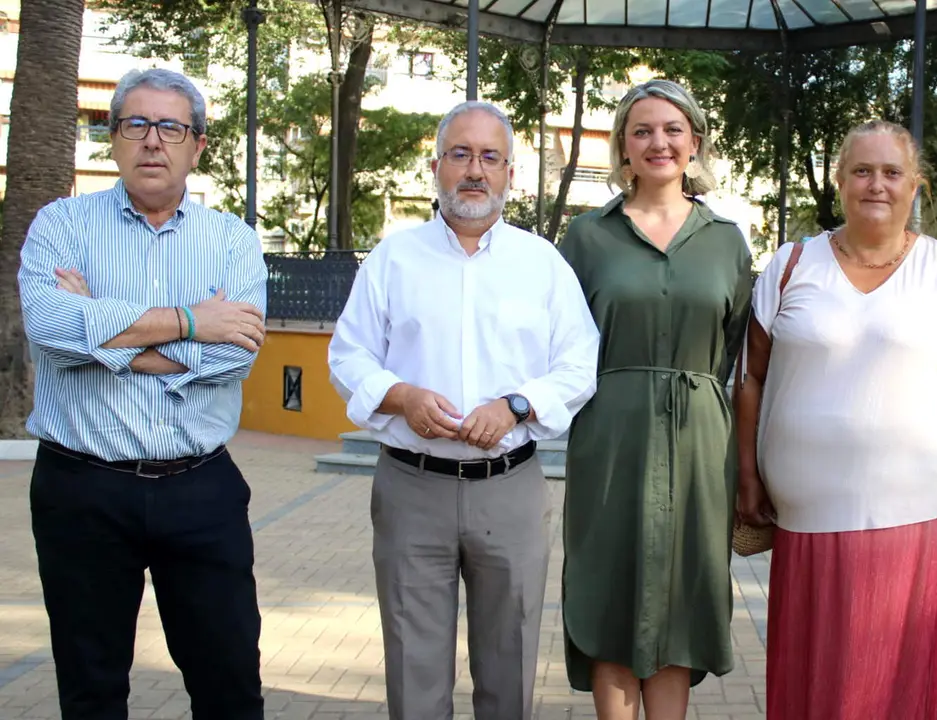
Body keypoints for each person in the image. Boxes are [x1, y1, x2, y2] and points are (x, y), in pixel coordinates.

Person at [328, 100, 600, 720]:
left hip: (509, 488)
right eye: (460, 154)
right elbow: (349, 356)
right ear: (436, 166)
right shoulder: (392, 260)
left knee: (509, 665)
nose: (474, 170)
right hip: (411, 486)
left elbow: (579, 364)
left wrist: (517, 405)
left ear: (509, 173)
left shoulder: (543, 265)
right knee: (413, 669)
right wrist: (401, 396)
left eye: (489, 157)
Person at [736, 119, 937, 720]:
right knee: (815, 676)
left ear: (917, 186)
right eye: (862, 171)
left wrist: (919, 410)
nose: (876, 185)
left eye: (891, 173)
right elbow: (751, 376)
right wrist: (748, 477)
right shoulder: (791, 264)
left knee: (894, 679)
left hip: (913, 514)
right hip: (807, 516)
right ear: (839, 182)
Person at [18, 68, 268, 719]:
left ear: (197, 145)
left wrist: (99, 327)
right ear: (112, 137)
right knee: (91, 688)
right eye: (137, 124)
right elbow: (48, 327)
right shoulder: (61, 225)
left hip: (200, 489)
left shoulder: (231, 241)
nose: (153, 142)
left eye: (171, 127)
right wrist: (190, 321)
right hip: (81, 490)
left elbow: (230, 357)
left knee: (230, 684)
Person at [557, 79, 752, 720]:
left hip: (699, 435)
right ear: (623, 146)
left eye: (672, 129)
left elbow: (738, 353)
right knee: (611, 582)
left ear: (694, 140)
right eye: (642, 130)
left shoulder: (727, 240)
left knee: (681, 592)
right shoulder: (585, 238)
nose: (658, 142)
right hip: (610, 433)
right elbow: (559, 342)